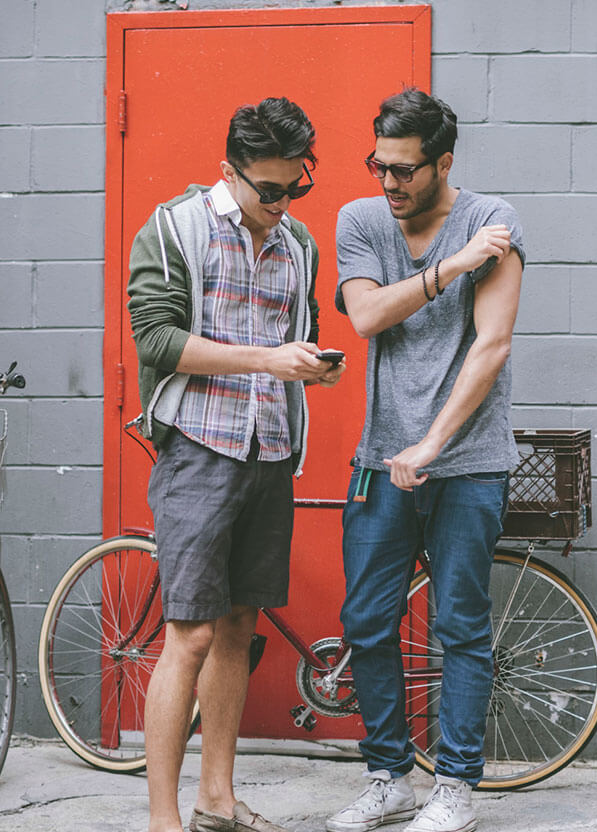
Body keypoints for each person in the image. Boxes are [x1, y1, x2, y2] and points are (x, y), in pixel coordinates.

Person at [127, 97, 344, 832]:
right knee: (188, 635)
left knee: (238, 626)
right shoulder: (176, 227)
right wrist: (265, 360)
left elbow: (300, 333)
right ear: (230, 172)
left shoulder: (298, 242)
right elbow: (156, 340)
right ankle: (163, 821)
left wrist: (312, 367)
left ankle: (216, 801)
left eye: (297, 186)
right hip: (199, 450)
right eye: (270, 189)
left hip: (270, 451)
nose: (284, 202)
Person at [326, 88, 524, 832]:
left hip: (467, 464)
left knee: (460, 626)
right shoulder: (361, 220)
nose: (389, 182)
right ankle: (389, 778)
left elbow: (491, 345)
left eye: (405, 170)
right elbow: (366, 314)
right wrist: (451, 269)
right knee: (366, 620)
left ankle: (456, 788)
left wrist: (433, 443)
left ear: (443, 163)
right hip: (380, 461)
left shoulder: (492, 221)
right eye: (379, 165)